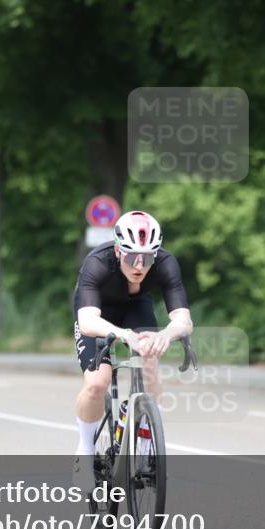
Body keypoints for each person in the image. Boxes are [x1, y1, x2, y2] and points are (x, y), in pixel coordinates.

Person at [70, 210, 192, 490]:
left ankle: (147, 448)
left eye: (147, 257)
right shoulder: (97, 263)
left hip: (136, 307)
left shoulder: (166, 263)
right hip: (98, 312)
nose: (139, 265)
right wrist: (123, 335)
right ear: (117, 250)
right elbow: (88, 322)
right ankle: (85, 450)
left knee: (150, 360)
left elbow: (184, 319)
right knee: (96, 385)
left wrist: (167, 334)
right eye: (131, 256)